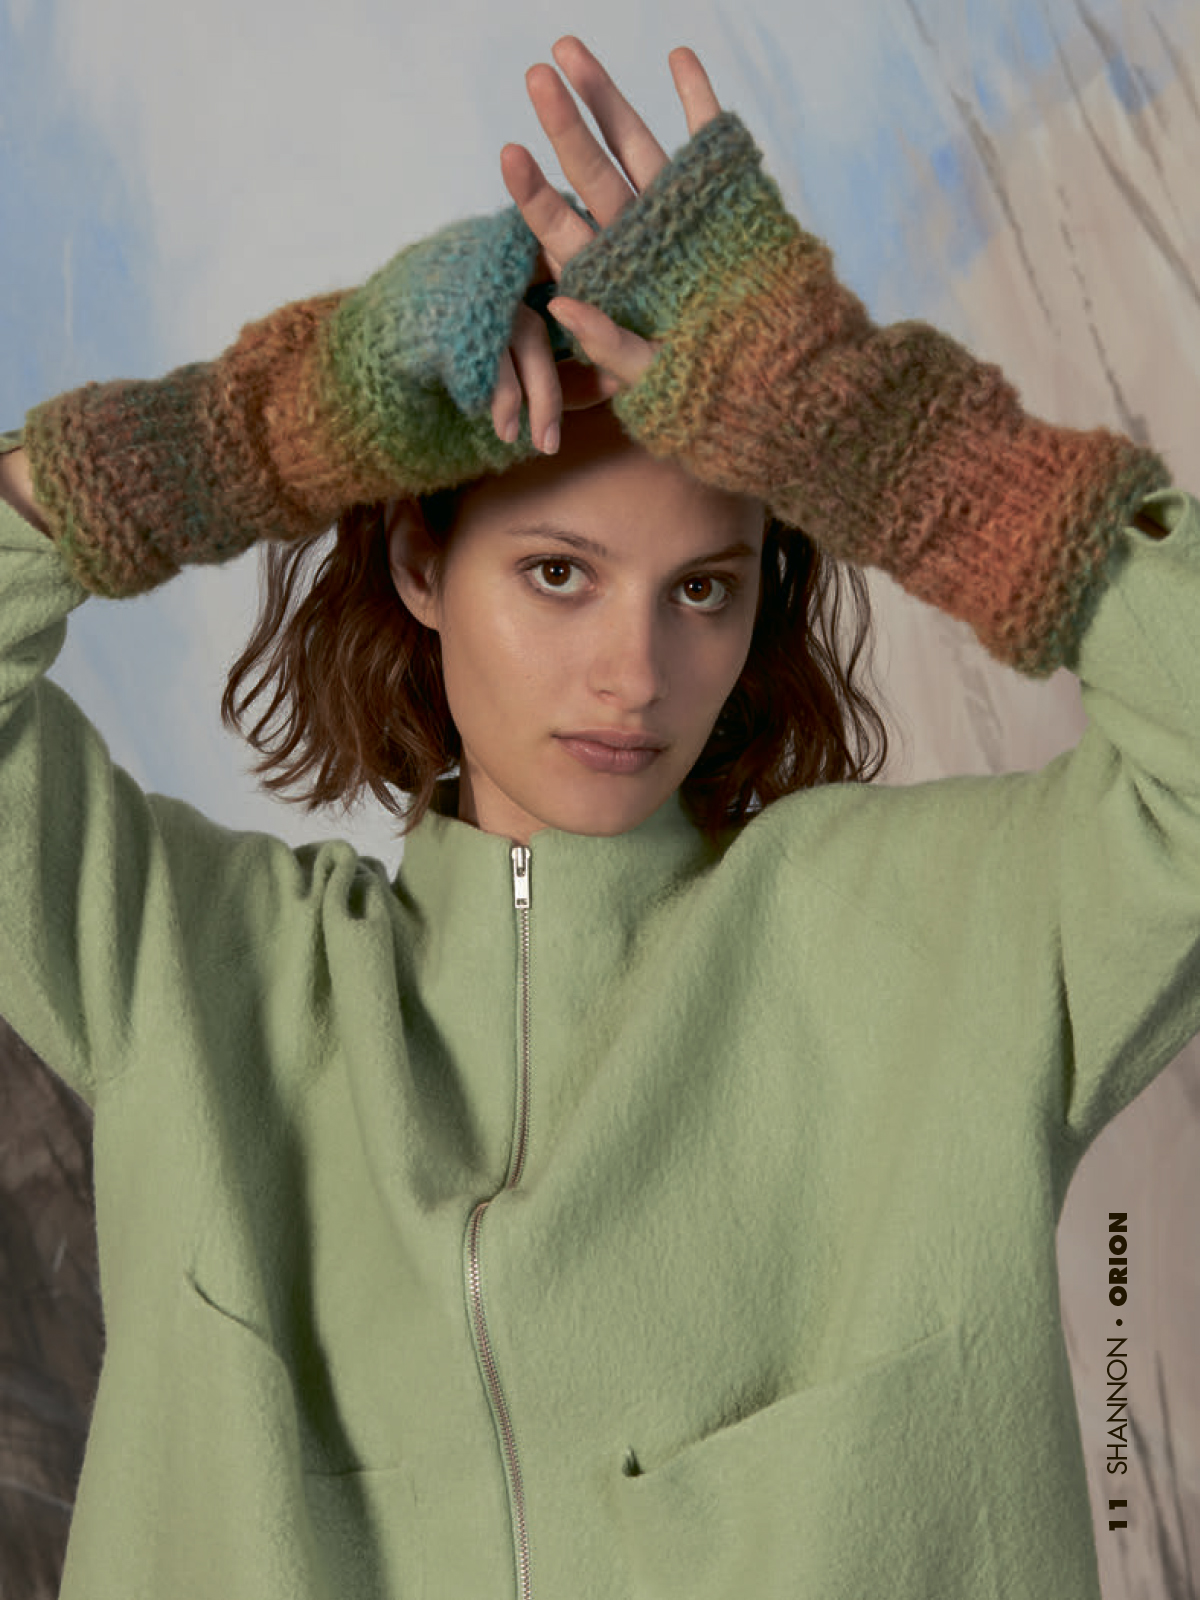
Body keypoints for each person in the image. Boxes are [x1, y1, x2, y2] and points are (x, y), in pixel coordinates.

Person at [0, 33, 1194, 1600]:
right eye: (557, 573)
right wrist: (252, 433)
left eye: (701, 590)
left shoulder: (944, 938)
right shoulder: (195, 971)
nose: (635, 674)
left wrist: (892, 436)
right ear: (422, 568)